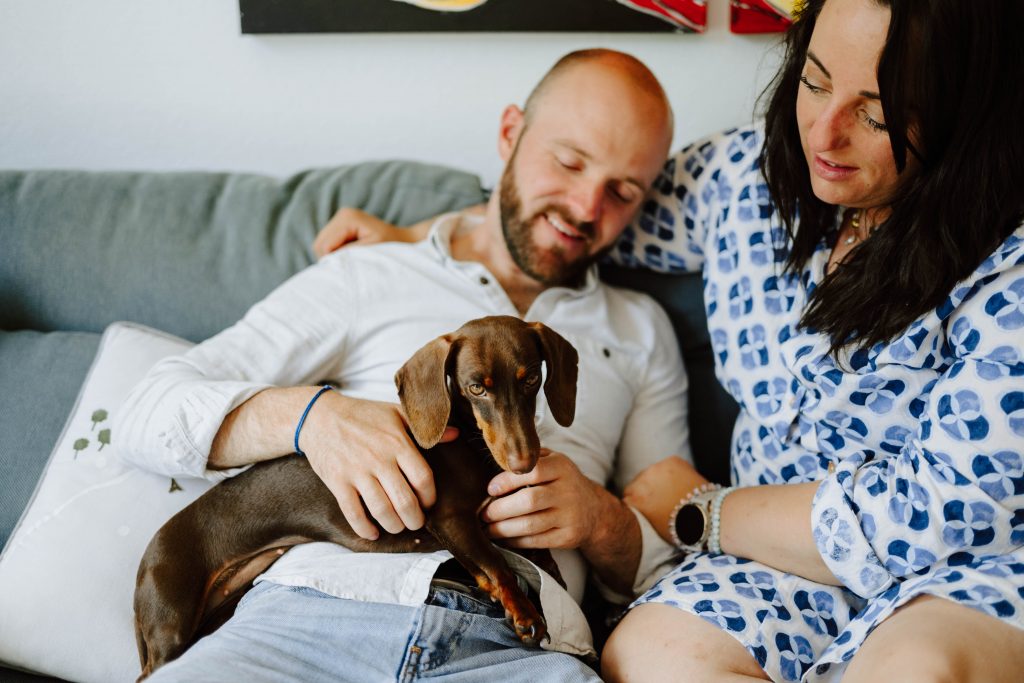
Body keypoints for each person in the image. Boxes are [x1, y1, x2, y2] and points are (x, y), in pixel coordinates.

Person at [316, 1, 1024, 681]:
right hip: (767, 572)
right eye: (814, 81)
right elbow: (584, 212)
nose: (825, 133)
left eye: (876, 114)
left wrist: (704, 508)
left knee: (916, 672)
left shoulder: (1007, 270)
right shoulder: (745, 178)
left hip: (954, 571)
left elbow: (933, 516)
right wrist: (424, 233)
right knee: (647, 657)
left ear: (962, 115)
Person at [116, 49, 691, 682]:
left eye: (622, 191)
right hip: (306, 619)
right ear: (511, 133)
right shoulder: (368, 272)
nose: (585, 206)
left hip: (519, 648)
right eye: (570, 161)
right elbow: (143, 413)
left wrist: (602, 521)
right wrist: (314, 419)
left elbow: (672, 563)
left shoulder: (642, 330)